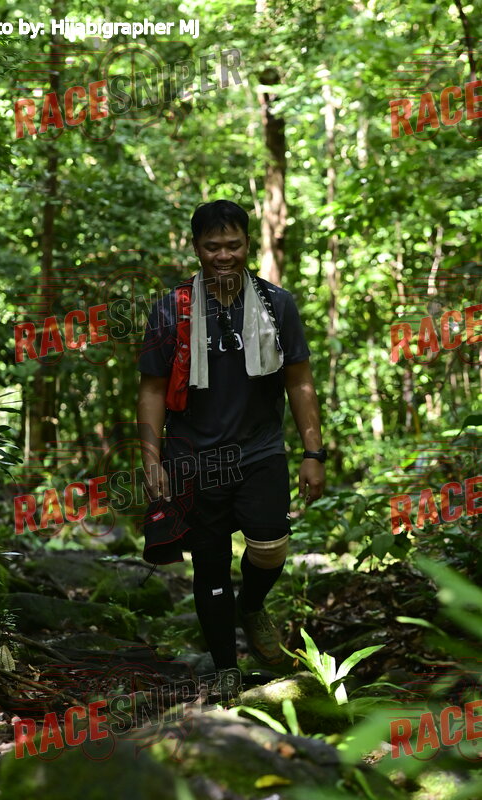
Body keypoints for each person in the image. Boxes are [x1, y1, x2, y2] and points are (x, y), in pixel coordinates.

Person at [136, 199, 325, 676]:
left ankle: (252, 605)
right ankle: (226, 672)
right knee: (211, 567)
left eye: (234, 245)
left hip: (260, 449)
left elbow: (299, 381)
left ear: (248, 244)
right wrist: (152, 460)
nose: (224, 255)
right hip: (194, 457)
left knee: (271, 544)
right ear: (196, 248)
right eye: (212, 246)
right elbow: (152, 389)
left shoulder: (276, 304)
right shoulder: (171, 310)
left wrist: (313, 452)